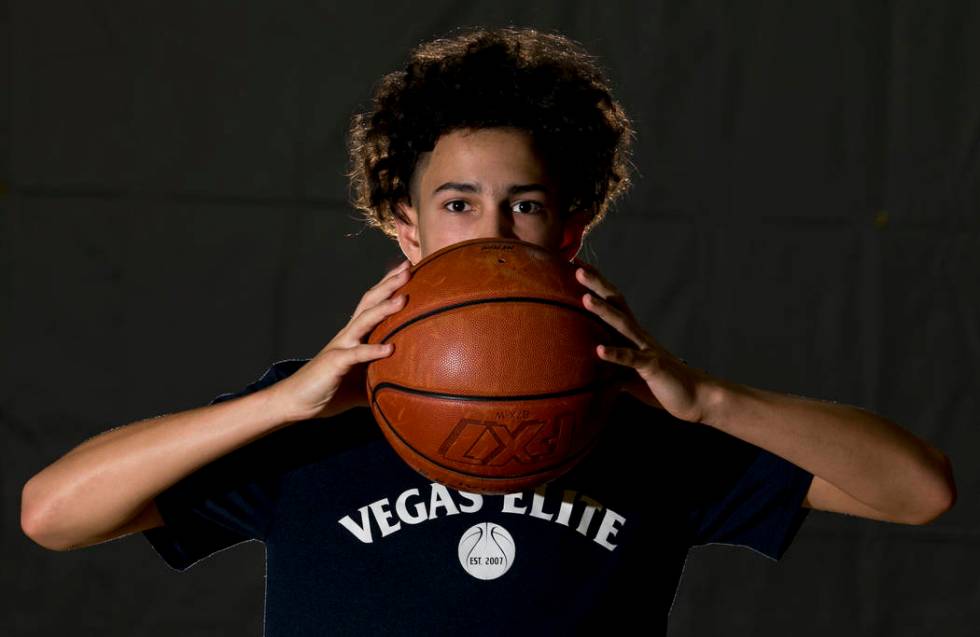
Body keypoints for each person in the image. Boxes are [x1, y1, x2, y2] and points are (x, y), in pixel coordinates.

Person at [21, 25, 956, 636]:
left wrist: (706, 397)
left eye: (527, 204)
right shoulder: (311, 421)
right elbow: (51, 516)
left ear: (572, 226)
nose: (496, 232)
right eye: (460, 203)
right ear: (407, 223)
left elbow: (919, 493)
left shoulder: (647, 415)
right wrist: (280, 402)